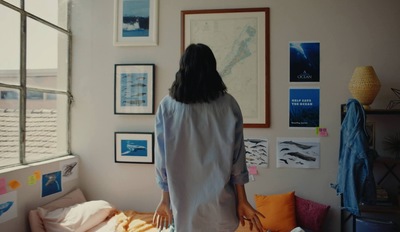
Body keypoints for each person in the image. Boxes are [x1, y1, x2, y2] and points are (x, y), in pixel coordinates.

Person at [153, 43, 264, 232]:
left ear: (183, 69)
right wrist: (242, 200)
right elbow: (238, 161)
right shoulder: (229, 105)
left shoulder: (167, 107)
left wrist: (164, 200)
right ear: (212, 69)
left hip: (183, 209)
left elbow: (163, 163)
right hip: (220, 208)